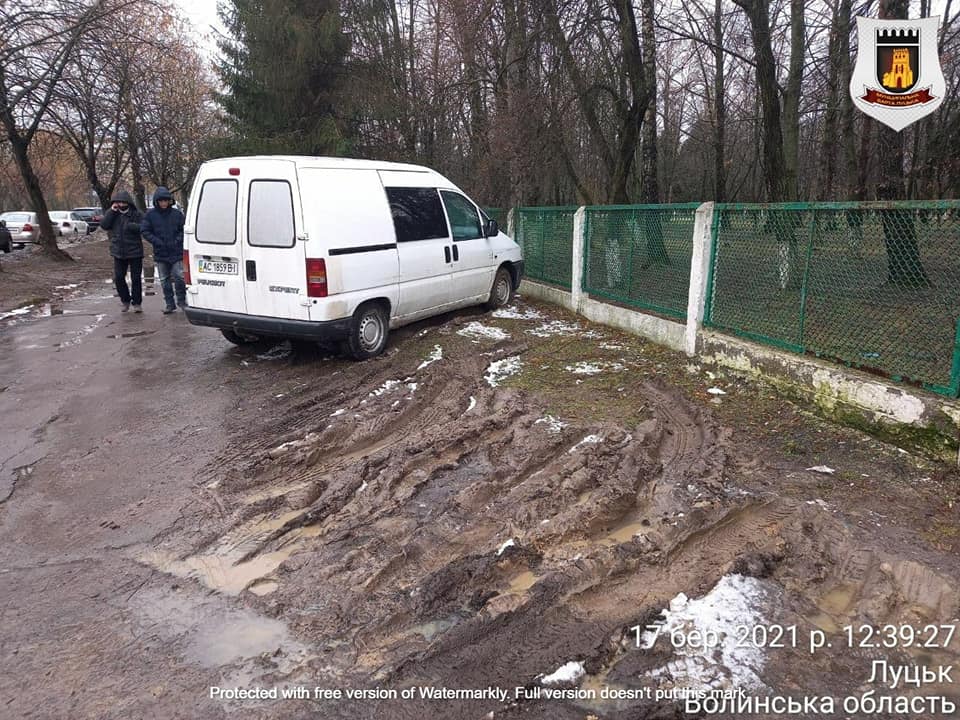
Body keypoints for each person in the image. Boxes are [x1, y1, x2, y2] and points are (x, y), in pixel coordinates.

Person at [141, 187, 186, 313]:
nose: (164, 203)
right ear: (157, 201)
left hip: (176, 251)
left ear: (169, 201)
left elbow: (183, 229)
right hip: (160, 252)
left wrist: (177, 241)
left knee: (179, 277)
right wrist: (156, 241)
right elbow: (145, 230)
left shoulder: (177, 214)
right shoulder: (150, 215)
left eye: (166, 200)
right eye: (161, 201)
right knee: (164, 279)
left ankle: (182, 300)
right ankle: (169, 303)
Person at [100, 191, 144, 312]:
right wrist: (111, 211)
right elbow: (104, 225)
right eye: (118, 202)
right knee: (119, 278)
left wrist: (133, 226)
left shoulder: (136, 214)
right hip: (118, 251)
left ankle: (137, 303)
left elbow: (145, 227)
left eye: (123, 202)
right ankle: (125, 300)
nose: (121, 204)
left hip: (135, 251)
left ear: (128, 202)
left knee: (136, 279)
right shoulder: (113, 214)